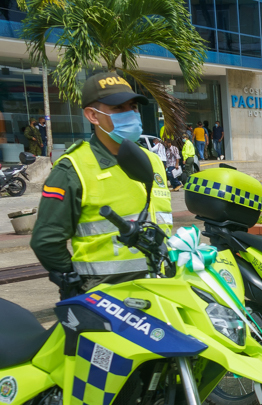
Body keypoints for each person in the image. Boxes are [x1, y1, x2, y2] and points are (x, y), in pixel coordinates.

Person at [31, 72, 172, 297]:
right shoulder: (72, 168)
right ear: (92, 116)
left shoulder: (152, 160)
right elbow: (46, 241)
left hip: (163, 288)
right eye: (118, 108)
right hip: (107, 296)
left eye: (133, 107)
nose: (131, 114)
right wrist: (74, 282)